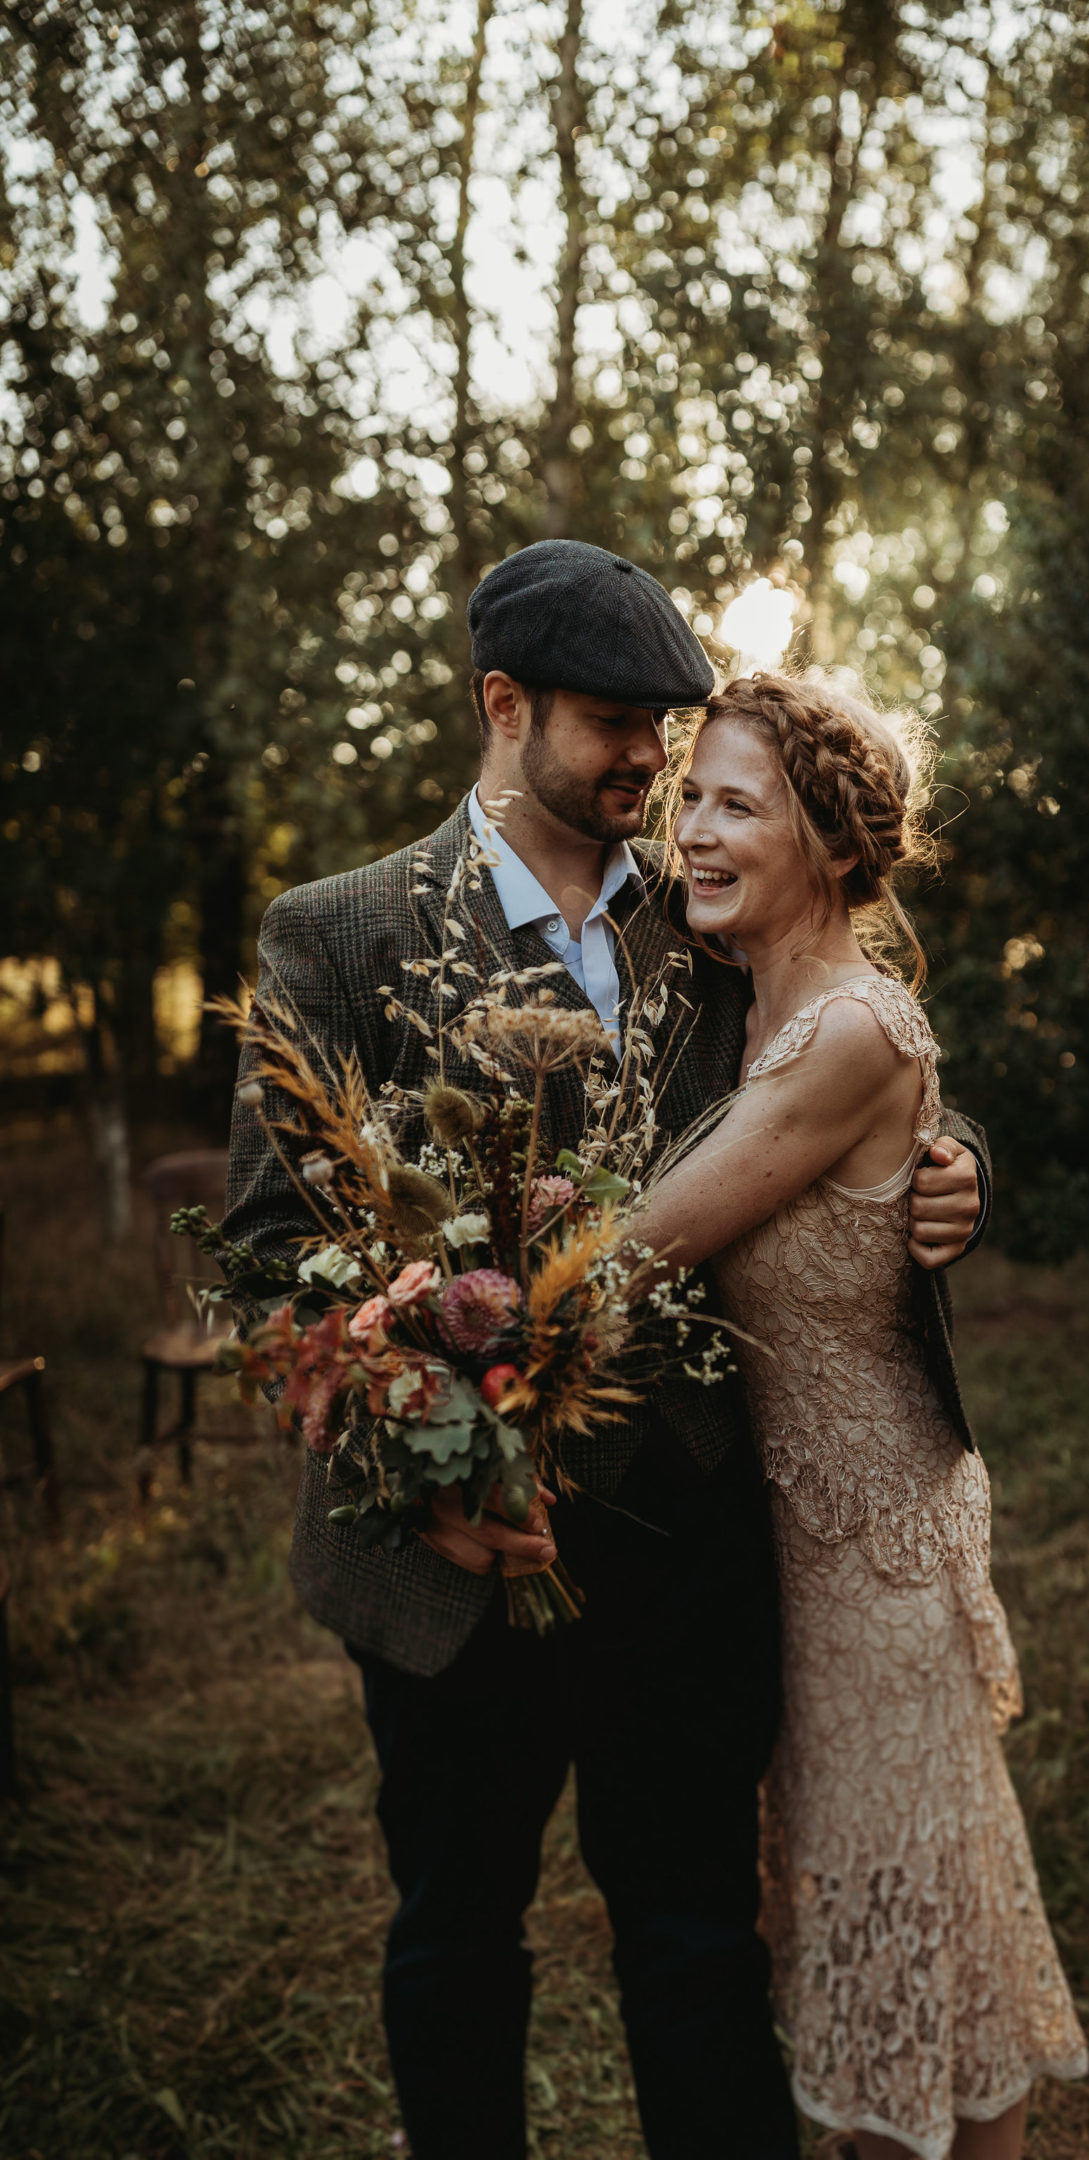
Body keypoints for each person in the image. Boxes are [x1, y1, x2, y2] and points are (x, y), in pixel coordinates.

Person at [223, 539, 990, 2160]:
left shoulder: (713, 907)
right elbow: (274, 1268)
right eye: (612, 721)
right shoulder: (339, 935)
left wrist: (954, 1155)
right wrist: (414, 1465)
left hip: (684, 1551)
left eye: (667, 719)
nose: (653, 757)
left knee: (701, 1949)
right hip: (441, 1565)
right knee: (454, 1942)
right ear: (505, 706)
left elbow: (842, 1042)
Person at [635, 671, 1089, 2160]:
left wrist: (449, 1296)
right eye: (690, 794)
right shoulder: (729, 989)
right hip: (778, 1555)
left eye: (737, 804)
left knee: (912, 1926)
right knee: (873, 1912)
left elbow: (644, 1240)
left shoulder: (849, 1031)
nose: (694, 828)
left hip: (874, 1555)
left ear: (830, 844)